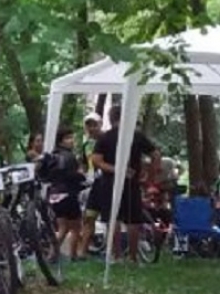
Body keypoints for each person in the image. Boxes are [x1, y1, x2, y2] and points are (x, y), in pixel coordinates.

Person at [90, 105, 160, 263]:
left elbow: (96, 160)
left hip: (110, 182)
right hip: (131, 182)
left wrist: (115, 169)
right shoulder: (136, 135)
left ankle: (116, 255)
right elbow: (155, 155)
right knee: (133, 220)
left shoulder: (105, 137)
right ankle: (133, 257)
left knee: (113, 219)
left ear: (110, 118)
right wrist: (150, 177)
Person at [45, 127, 86, 260]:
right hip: (68, 194)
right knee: (76, 226)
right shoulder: (69, 156)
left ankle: (52, 254)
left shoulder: (52, 156)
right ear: (61, 141)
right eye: (68, 138)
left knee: (62, 227)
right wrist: (81, 176)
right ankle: (73, 255)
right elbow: (72, 175)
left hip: (54, 194)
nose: (72, 141)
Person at [78, 112, 104, 257]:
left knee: (111, 218)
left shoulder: (108, 139)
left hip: (107, 181)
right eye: (89, 125)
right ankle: (83, 251)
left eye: (94, 125)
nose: (92, 128)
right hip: (92, 183)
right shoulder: (87, 144)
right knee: (89, 216)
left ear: (100, 124)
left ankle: (115, 252)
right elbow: (84, 163)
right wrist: (81, 173)